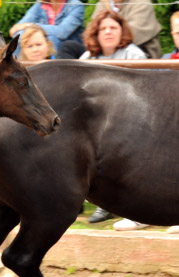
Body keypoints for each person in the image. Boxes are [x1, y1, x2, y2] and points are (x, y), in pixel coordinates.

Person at [80, 10, 148, 231]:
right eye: (103, 28)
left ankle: (136, 212)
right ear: (96, 33)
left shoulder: (135, 55)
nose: (108, 32)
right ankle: (98, 201)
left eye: (114, 28)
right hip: (95, 123)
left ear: (122, 32)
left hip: (131, 120)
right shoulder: (86, 58)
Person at [92, 0, 161, 59]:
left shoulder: (142, 3)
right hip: (105, 58)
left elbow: (133, 34)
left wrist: (106, 38)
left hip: (143, 60)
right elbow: (93, 33)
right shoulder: (102, 4)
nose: (107, 32)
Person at [9, 0, 84, 52]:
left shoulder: (76, 6)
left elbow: (62, 32)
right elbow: (17, 30)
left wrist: (31, 26)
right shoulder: (40, 5)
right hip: (41, 49)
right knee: (21, 40)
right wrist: (27, 37)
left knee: (52, 39)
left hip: (68, 52)